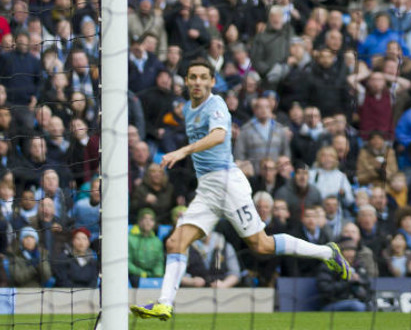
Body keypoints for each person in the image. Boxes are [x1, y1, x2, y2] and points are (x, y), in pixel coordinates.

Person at [130, 60, 351, 321]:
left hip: (227, 185)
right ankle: (165, 304)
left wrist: (183, 151)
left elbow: (219, 136)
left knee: (263, 245)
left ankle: (327, 252)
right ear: (187, 81)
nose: (198, 82)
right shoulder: (188, 110)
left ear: (212, 81)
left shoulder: (216, 105)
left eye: (203, 77)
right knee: (175, 242)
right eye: (193, 77)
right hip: (207, 189)